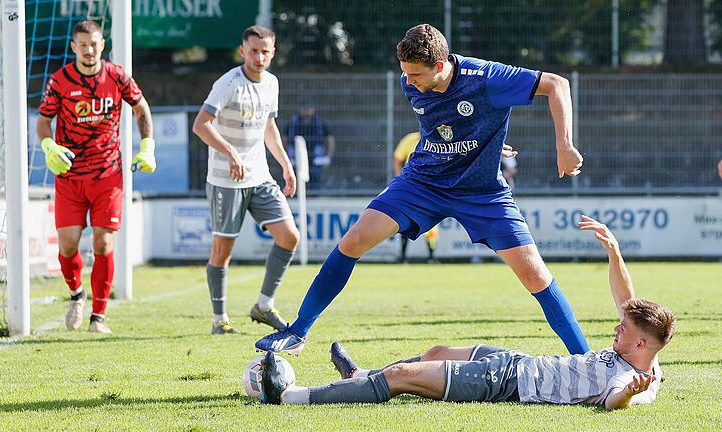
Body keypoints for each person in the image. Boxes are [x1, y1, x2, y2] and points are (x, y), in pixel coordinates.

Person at [256, 24, 587, 355]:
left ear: (440, 66)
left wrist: (565, 145)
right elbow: (443, 125)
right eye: (405, 73)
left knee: (535, 275)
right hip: (423, 181)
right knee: (353, 240)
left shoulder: (486, 77)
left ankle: (586, 362)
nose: (408, 81)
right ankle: (298, 331)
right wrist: (479, 141)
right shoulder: (410, 80)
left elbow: (557, 84)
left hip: (481, 192)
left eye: (415, 74)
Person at [259, 215, 676, 410]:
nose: (616, 327)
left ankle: (292, 397)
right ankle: (359, 378)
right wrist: (614, 251)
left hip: (509, 384)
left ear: (641, 342)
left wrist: (628, 396)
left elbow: (615, 402)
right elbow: (627, 301)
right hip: (518, 361)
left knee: (402, 378)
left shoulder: (635, 377)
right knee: (436, 351)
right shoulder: (637, 343)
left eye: (623, 329)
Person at [36, 20, 156, 334]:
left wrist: (147, 147)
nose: (89, 50)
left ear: (103, 45)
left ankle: (98, 316)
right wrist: (48, 145)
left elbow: (141, 108)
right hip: (70, 176)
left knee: (103, 243)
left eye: (95, 44)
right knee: (68, 244)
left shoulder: (116, 76)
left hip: (107, 175)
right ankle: (77, 294)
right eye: (83, 44)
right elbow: (43, 120)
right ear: (74, 47)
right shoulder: (60, 81)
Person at [192, 26, 299, 335]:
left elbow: (269, 127)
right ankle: (219, 319)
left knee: (289, 237)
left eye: (265, 51)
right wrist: (229, 152)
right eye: (254, 51)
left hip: (260, 176)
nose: (259, 57)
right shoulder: (228, 83)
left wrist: (286, 166)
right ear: (242, 51)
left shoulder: (272, 83)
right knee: (222, 251)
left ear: (273, 52)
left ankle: (264, 305)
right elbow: (201, 124)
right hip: (226, 180)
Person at [393, 131, 438, 263]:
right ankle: (403, 257)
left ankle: (431, 257)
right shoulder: (410, 140)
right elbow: (397, 159)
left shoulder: (438, 140)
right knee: (406, 221)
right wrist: (400, 180)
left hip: (430, 188)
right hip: (411, 187)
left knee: (432, 225)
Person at [286, 105, 336, 191]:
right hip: (297, 155)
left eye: (309, 108)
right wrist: (286, 156)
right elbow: (284, 138)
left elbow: (330, 140)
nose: (306, 111)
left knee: (315, 176)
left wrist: (328, 156)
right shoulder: (294, 122)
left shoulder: (319, 122)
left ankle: (314, 194)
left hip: (316, 155)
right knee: (296, 175)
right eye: (304, 108)